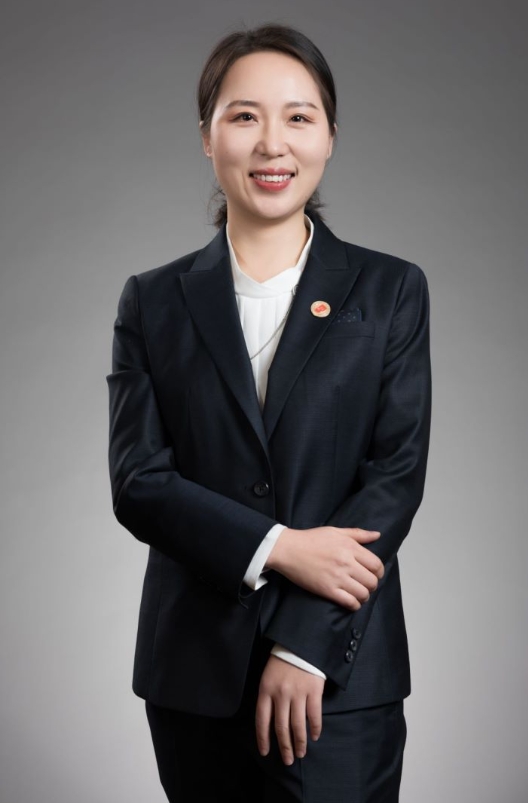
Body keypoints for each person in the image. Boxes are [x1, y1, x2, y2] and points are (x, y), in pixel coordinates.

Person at [106, 22, 431, 803]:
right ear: (207, 135)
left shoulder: (389, 291)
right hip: (193, 680)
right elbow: (139, 482)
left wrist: (303, 646)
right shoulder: (152, 300)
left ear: (329, 136)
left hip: (340, 680)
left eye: (298, 116)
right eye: (244, 116)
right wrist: (278, 546)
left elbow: (392, 477)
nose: (271, 143)